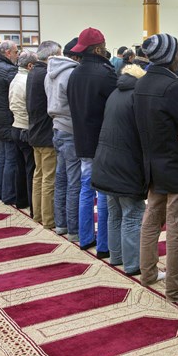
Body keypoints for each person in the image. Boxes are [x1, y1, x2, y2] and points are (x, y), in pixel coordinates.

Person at [134, 33, 178, 302]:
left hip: (151, 162)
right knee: (177, 228)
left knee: (151, 220)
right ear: (170, 57)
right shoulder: (173, 87)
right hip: (175, 164)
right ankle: (175, 288)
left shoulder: (141, 83)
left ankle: (147, 274)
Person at [92, 63, 147, 275]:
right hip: (126, 165)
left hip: (105, 161)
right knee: (132, 214)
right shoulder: (136, 97)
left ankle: (116, 257)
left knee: (114, 213)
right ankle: (133, 264)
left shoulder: (115, 93)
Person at [67, 28, 117, 253]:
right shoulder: (106, 73)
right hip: (102, 140)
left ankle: (86, 237)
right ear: (98, 49)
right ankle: (105, 244)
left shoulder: (74, 73)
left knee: (86, 189)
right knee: (104, 191)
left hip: (81, 138)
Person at [46, 39, 81, 239]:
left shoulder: (49, 72)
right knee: (74, 182)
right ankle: (74, 229)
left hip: (56, 128)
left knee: (61, 180)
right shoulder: (70, 74)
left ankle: (61, 224)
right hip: (69, 129)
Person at [28, 40, 61, 229]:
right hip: (45, 133)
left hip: (35, 130)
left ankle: (39, 215)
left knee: (39, 175)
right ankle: (49, 220)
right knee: (49, 178)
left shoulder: (33, 72)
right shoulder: (46, 75)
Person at [0, 41, 19, 205]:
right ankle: (8, 195)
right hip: (7, 118)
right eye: (15, 52)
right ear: (7, 53)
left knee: (2, 156)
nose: (17, 55)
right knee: (10, 158)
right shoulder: (9, 70)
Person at [10, 50, 38, 213]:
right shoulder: (28, 80)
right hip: (25, 127)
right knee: (31, 169)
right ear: (30, 65)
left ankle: (21, 200)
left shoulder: (15, 78)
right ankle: (34, 206)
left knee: (20, 166)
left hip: (15, 125)